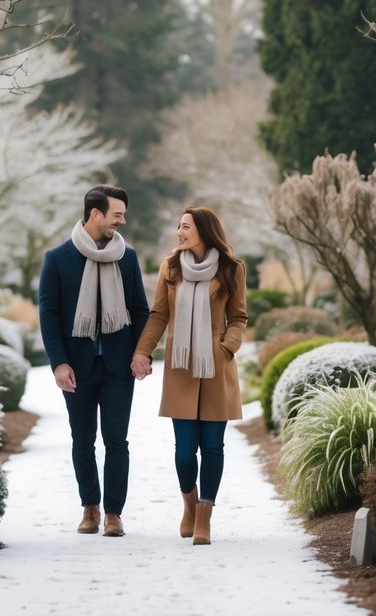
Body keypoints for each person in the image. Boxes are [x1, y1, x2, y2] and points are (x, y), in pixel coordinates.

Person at [38, 185, 150, 537]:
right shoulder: (57, 258)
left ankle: (114, 513)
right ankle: (90, 506)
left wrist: (141, 352)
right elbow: (49, 313)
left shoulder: (127, 257)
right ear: (95, 214)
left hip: (118, 366)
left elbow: (140, 309)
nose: (122, 221)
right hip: (77, 366)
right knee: (82, 440)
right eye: (117, 215)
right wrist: (59, 362)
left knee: (117, 440)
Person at [131, 207, 246, 546]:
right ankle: (189, 503)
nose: (179, 233)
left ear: (205, 232)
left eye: (185, 227)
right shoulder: (170, 268)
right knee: (184, 450)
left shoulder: (231, 269)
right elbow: (158, 316)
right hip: (180, 365)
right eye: (179, 226)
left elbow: (238, 317)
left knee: (213, 447)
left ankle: (205, 515)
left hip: (216, 365)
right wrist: (142, 351)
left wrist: (226, 347)